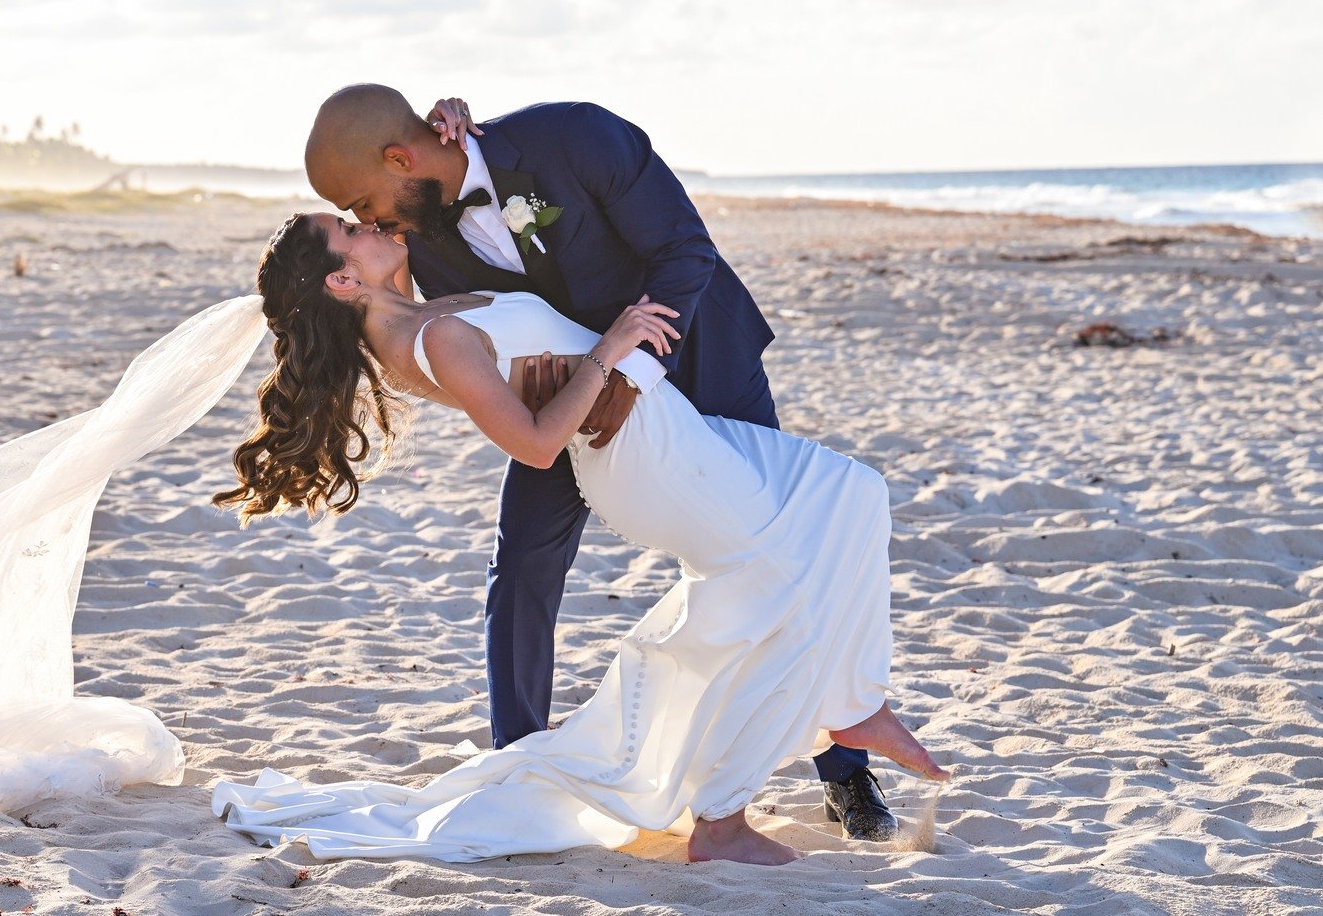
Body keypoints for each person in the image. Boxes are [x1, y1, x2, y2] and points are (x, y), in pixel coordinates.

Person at [208, 209, 947, 864]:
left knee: (856, 493)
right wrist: (612, 344)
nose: (363, 223)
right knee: (777, 592)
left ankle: (851, 703)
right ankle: (722, 818)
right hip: (645, 458)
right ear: (342, 282)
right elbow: (533, 444)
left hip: (671, 425)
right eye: (348, 231)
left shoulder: (423, 313)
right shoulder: (429, 338)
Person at [294, 84, 900, 840]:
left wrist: (627, 374)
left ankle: (846, 770)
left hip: (695, 358)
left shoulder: (574, 138)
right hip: (563, 404)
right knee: (521, 565)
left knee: (785, 538)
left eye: (366, 198)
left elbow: (686, 251)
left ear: (399, 157)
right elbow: (410, 325)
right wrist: (564, 388)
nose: (370, 219)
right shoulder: (415, 231)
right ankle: (517, 768)